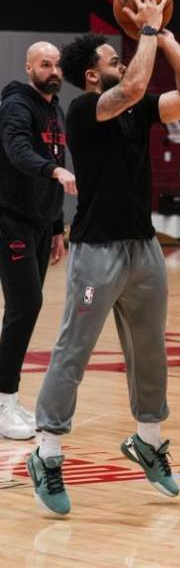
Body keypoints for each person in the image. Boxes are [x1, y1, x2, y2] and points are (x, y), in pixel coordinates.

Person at [26, 0, 180, 515]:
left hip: (143, 248)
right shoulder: (85, 110)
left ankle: (148, 441)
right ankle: (47, 450)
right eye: (112, 58)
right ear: (91, 75)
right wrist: (147, 28)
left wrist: (167, 39)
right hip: (96, 251)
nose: (123, 61)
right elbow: (130, 88)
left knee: (150, 349)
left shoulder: (138, 108)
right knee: (74, 350)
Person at [0, 42, 76, 440]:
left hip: (41, 223)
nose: (53, 71)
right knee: (25, 305)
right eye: (45, 64)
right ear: (29, 67)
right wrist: (54, 172)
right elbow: (17, 152)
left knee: (27, 306)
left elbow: (55, 162)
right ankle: (4, 402)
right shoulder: (16, 106)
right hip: (10, 220)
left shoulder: (55, 110)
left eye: (57, 65)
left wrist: (57, 226)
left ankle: (8, 398)